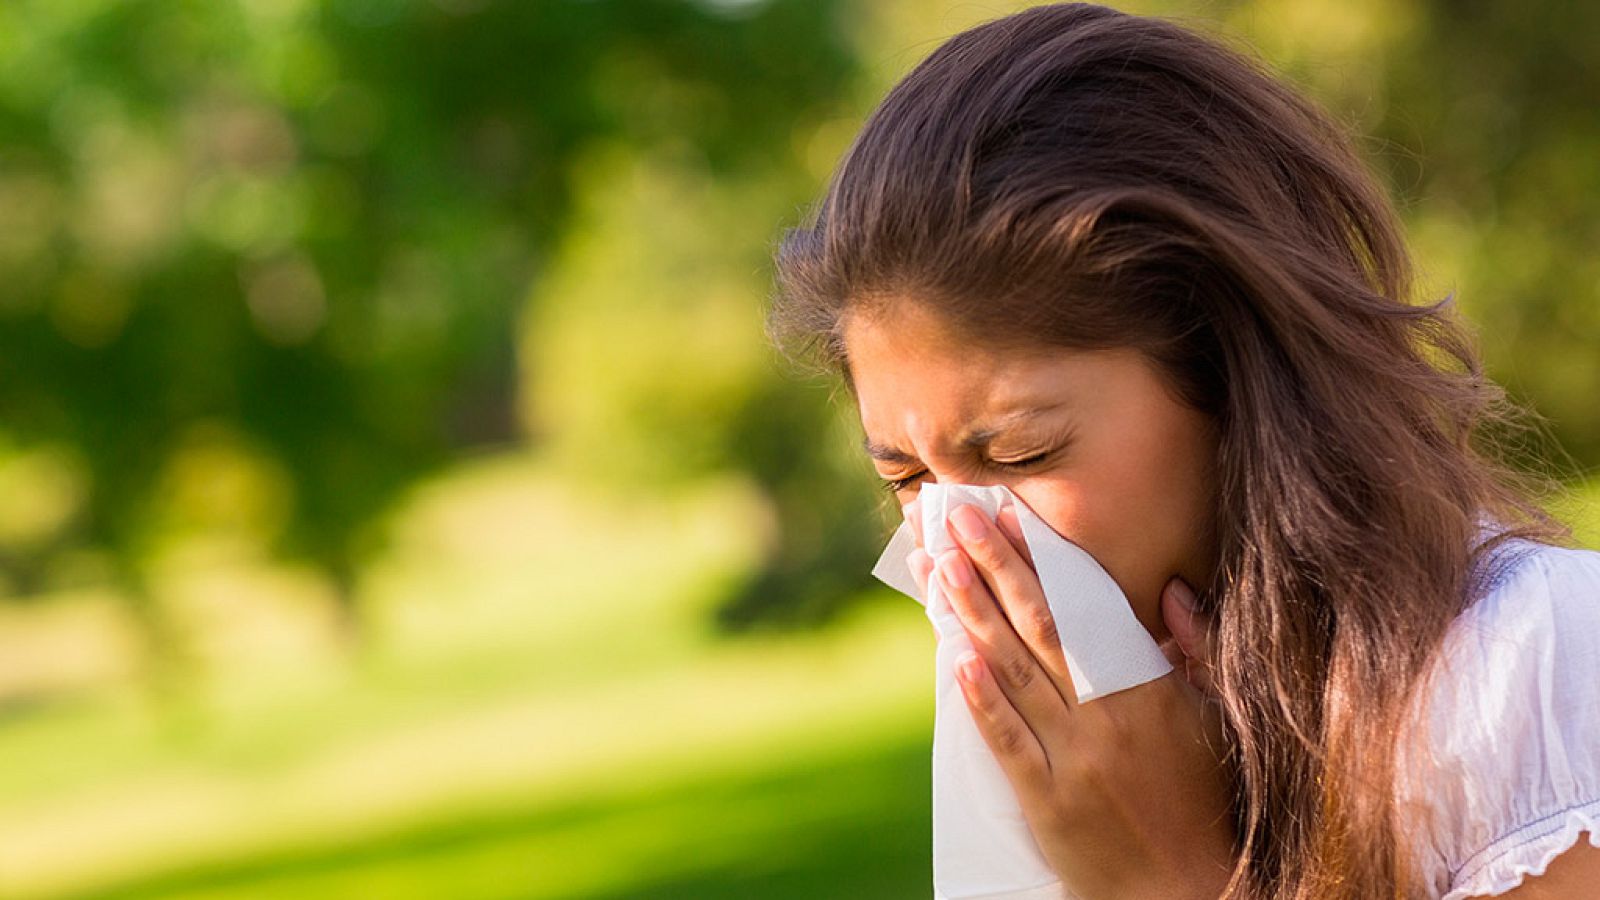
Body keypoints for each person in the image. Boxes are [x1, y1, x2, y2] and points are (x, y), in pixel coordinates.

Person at [765, 3, 1600, 898]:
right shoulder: (1080, 773)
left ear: (1232, 381)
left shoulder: (1526, 678)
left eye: (1019, 454)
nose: (957, 547)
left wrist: (1165, 879)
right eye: (907, 476)